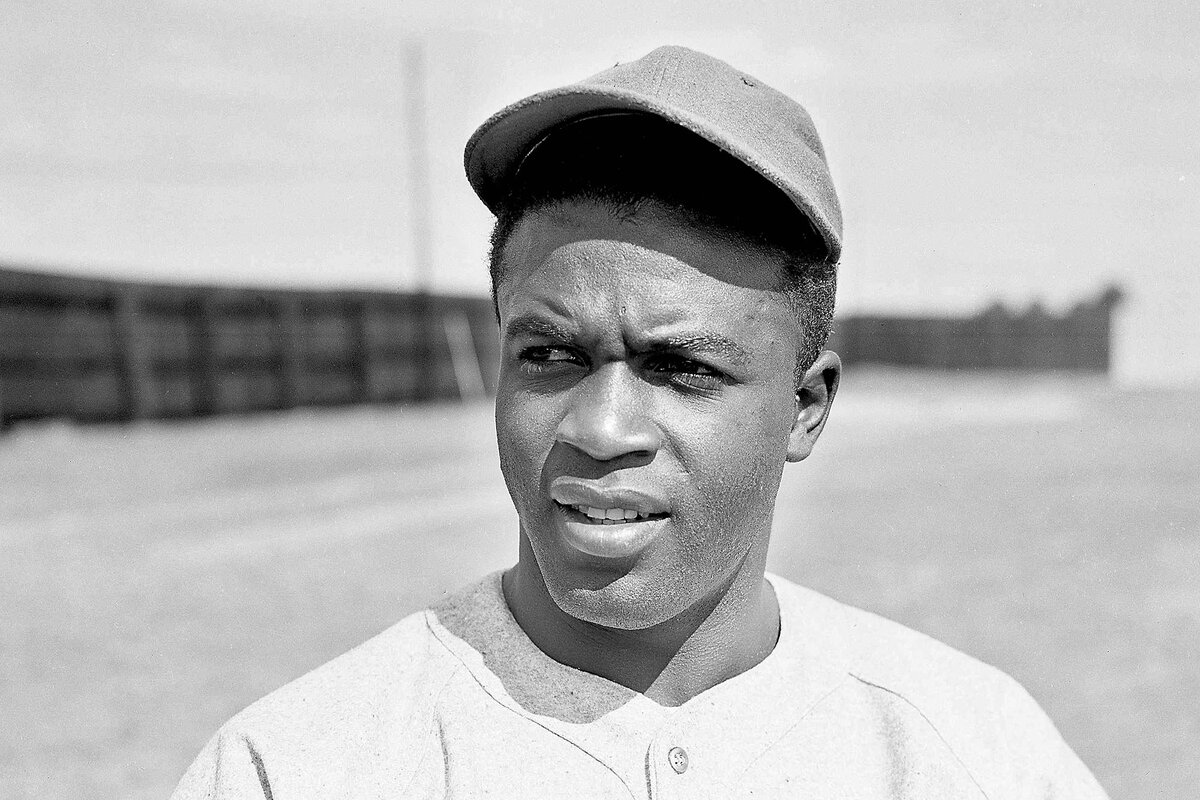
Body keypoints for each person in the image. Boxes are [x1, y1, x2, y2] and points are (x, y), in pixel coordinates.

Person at [171, 45, 1108, 799]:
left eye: (682, 369)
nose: (602, 425)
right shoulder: (295, 766)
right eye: (550, 355)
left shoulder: (971, 752)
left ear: (806, 406)